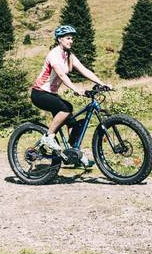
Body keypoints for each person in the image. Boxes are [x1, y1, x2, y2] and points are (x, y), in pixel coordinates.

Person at [31, 25, 112, 166]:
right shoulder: (54, 54)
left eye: (72, 38)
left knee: (73, 123)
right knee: (66, 108)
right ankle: (49, 137)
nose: (71, 41)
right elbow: (61, 75)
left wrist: (102, 83)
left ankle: (74, 154)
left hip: (51, 94)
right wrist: (76, 89)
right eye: (68, 38)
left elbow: (84, 70)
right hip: (39, 93)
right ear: (60, 39)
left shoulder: (69, 56)